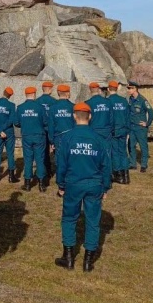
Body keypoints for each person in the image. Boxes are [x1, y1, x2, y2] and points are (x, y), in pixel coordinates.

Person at [55, 102, 111, 272]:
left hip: (73, 183)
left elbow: (61, 164)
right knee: (93, 221)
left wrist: (61, 184)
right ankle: (88, 262)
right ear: (90, 117)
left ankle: (69, 258)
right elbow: (106, 166)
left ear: (73, 116)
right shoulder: (99, 139)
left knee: (69, 218)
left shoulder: (67, 138)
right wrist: (105, 187)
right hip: (94, 184)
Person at [14, 86, 48, 192]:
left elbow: (16, 122)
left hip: (27, 136)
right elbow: (46, 122)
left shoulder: (20, 107)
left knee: (28, 159)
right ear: (34, 94)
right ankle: (41, 185)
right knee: (40, 159)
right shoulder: (40, 107)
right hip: (39, 135)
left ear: (26, 95)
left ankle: (28, 183)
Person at [48, 84, 75, 195]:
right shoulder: (73, 106)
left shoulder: (53, 108)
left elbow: (51, 126)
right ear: (68, 93)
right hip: (71, 136)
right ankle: (71, 183)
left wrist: (51, 141)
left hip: (59, 137)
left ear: (58, 93)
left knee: (60, 161)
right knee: (72, 160)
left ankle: (61, 187)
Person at [0, 87, 18, 183]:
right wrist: (3, 130)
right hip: (8, 132)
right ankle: (11, 176)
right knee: (10, 153)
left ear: (3, 92)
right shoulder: (11, 105)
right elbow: (11, 120)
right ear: (10, 96)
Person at [127, 81, 153, 172]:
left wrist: (147, 123)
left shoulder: (143, 100)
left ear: (135, 89)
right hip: (132, 127)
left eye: (130, 88)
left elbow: (151, 112)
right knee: (131, 145)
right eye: (128, 88)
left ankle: (143, 164)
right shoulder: (130, 99)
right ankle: (133, 163)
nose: (128, 90)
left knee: (143, 146)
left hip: (140, 128)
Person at [106, 81, 131, 184]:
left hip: (114, 130)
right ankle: (126, 176)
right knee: (123, 152)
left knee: (115, 152)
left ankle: (118, 175)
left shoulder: (107, 102)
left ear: (108, 89)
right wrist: (128, 130)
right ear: (117, 89)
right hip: (123, 129)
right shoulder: (123, 101)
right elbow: (128, 116)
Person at [36, 82, 57, 177]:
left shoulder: (37, 101)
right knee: (53, 150)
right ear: (49, 89)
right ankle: (51, 170)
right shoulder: (54, 101)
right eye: (51, 88)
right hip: (51, 129)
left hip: (41, 129)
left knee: (42, 151)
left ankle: (43, 170)